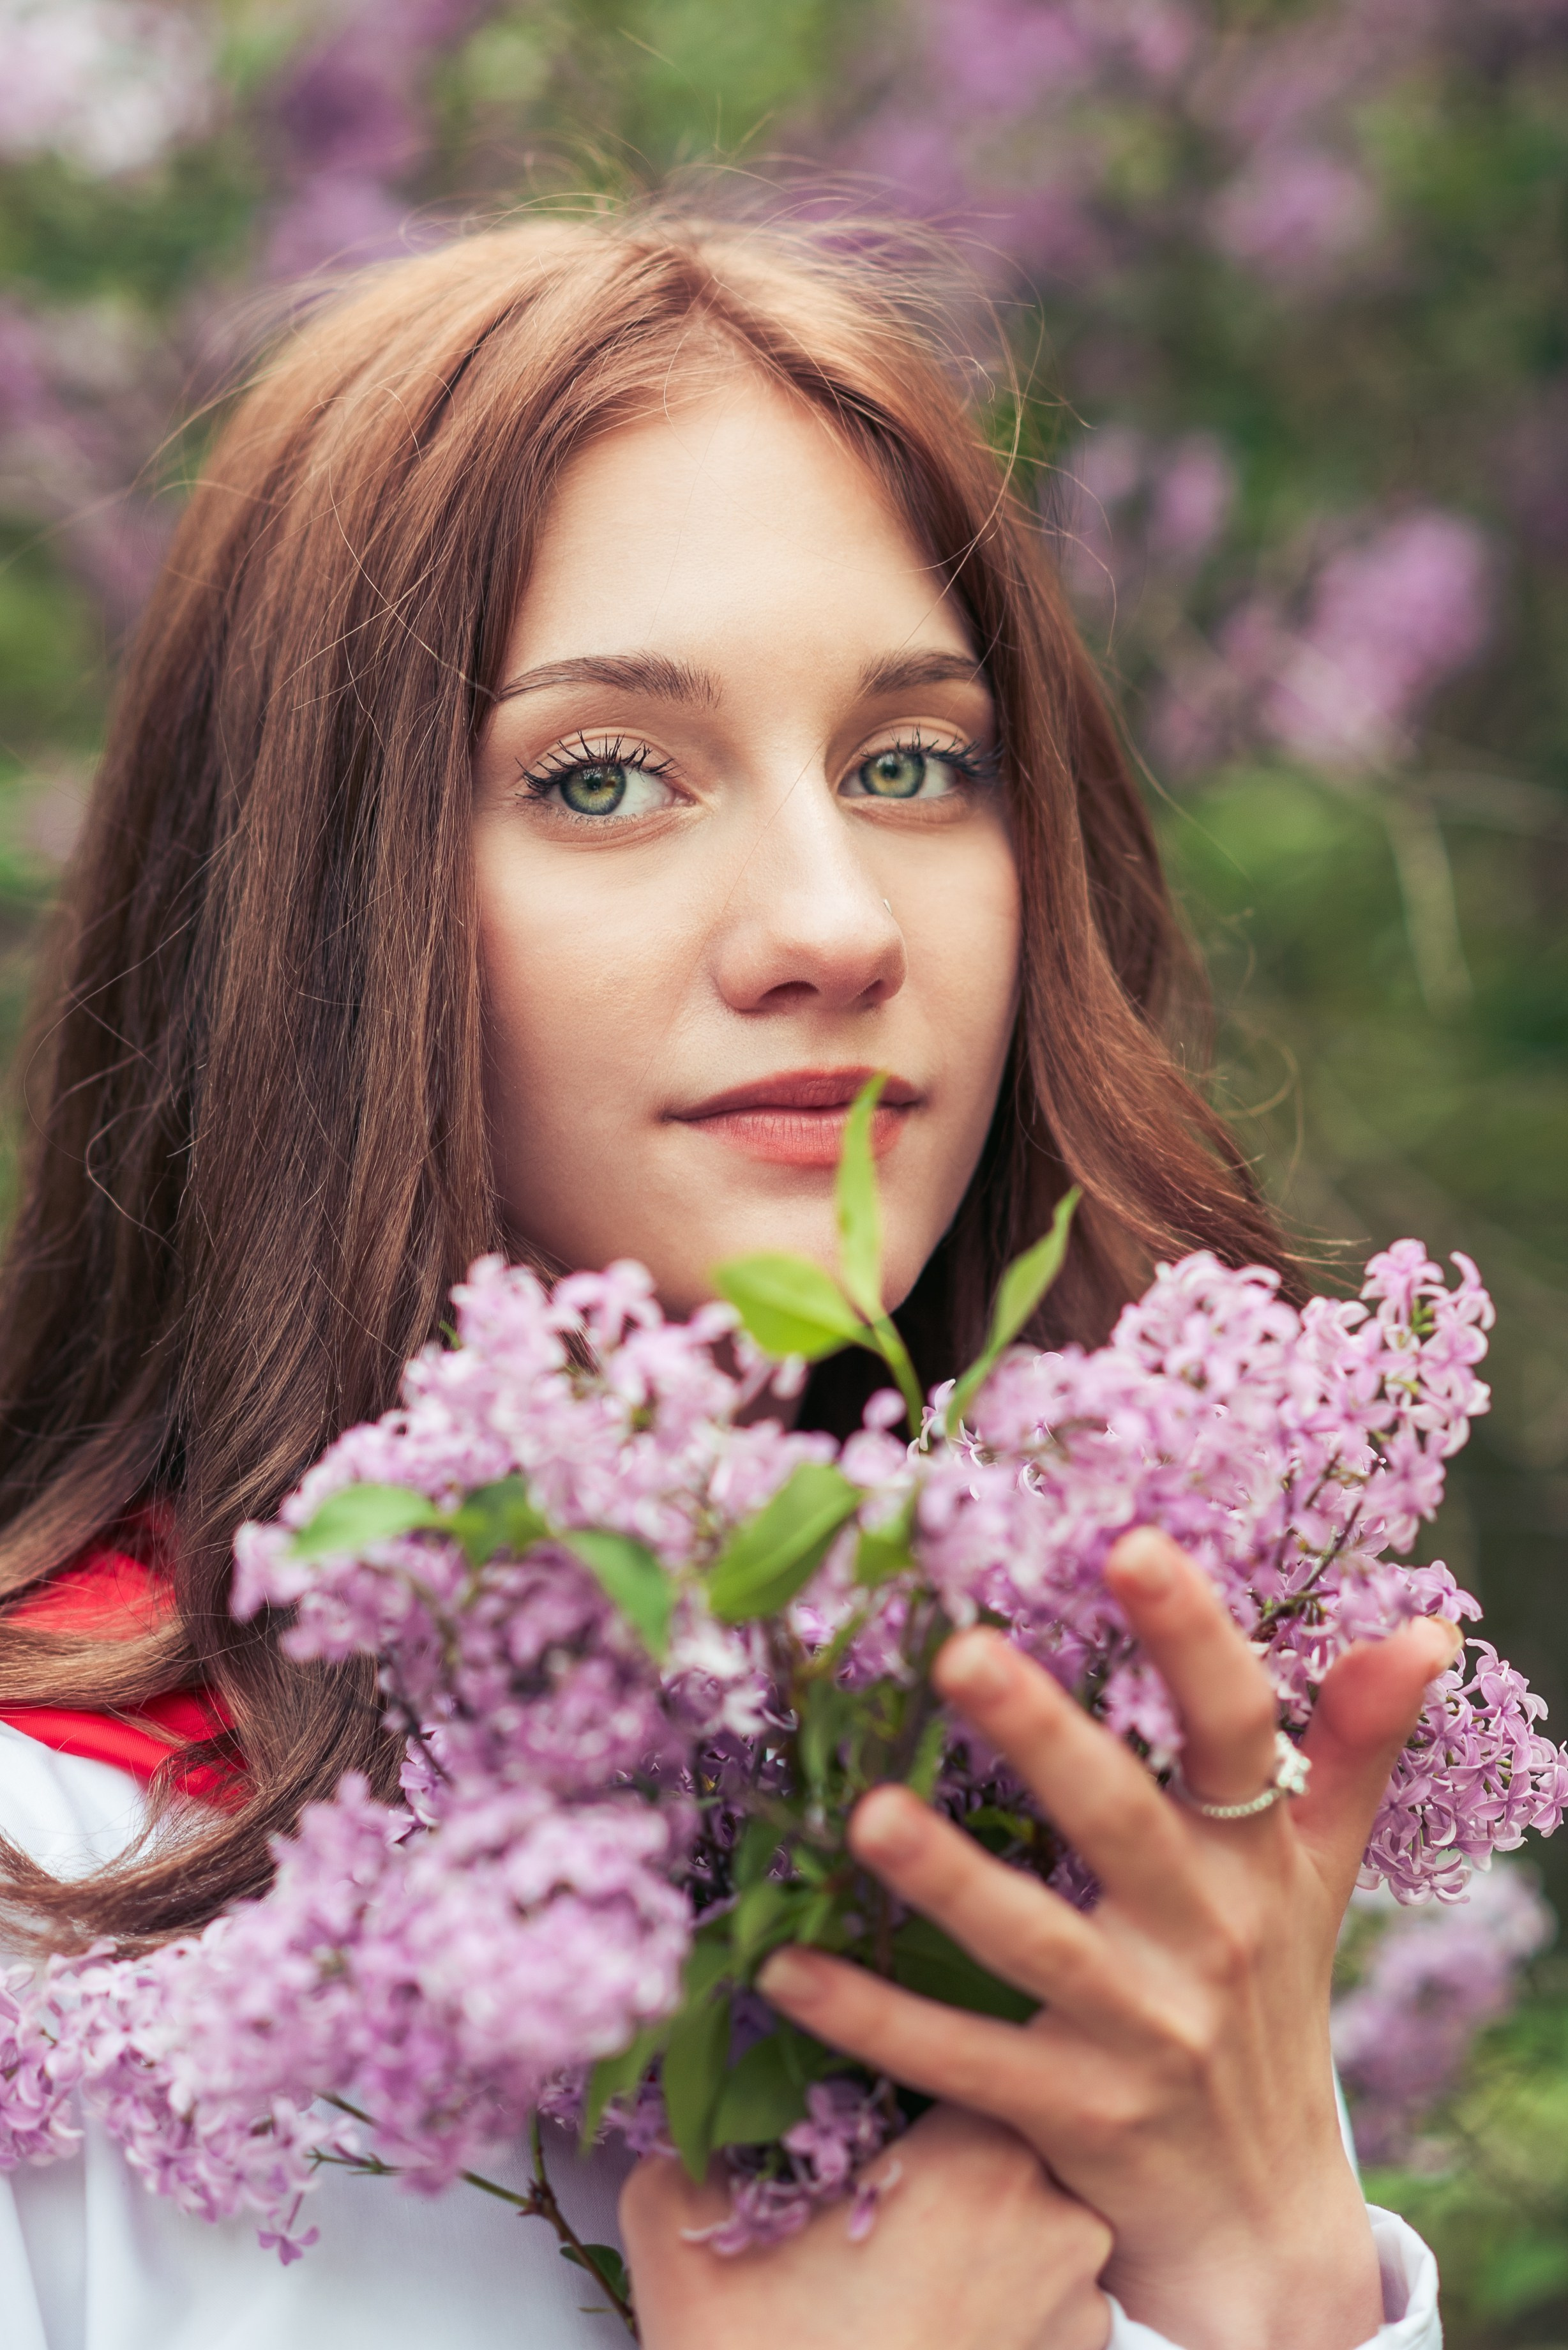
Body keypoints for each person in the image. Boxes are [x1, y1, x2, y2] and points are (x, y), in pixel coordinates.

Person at [0, 207, 1445, 2350]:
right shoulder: (47, 1898)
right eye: (605, 779)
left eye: (910, 763)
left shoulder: (1104, 1856)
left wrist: (1280, 2267)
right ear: (309, 905)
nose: (837, 923)